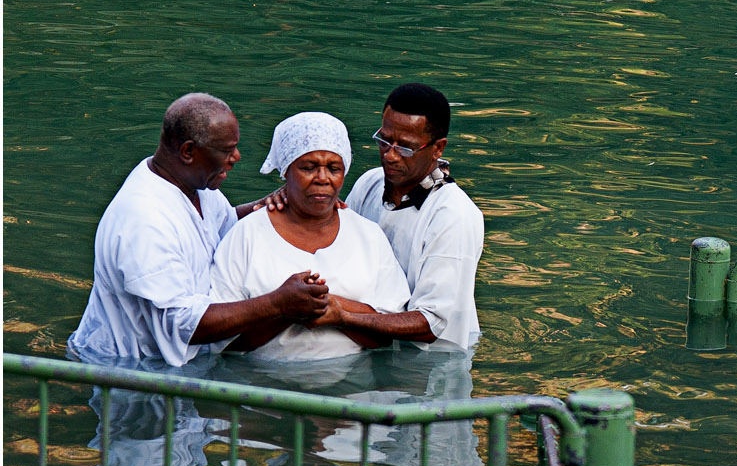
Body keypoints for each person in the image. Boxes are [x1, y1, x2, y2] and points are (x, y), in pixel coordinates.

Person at [67, 93, 329, 368]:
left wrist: (272, 205)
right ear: (188, 152)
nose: (236, 158)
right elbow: (183, 326)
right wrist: (277, 304)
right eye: (227, 150)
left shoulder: (192, 185)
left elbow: (222, 225)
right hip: (125, 370)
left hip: (167, 368)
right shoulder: (143, 220)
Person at [209, 111, 413, 361]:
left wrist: (334, 310)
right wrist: (283, 311)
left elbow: (388, 334)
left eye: (334, 168)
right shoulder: (247, 234)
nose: (323, 179)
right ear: (285, 171)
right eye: (308, 167)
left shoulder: (368, 236)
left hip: (354, 391)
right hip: (259, 389)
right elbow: (221, 341)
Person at [343, 83, 484, 352]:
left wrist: (342, 316)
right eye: (384, 141)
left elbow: (431, 323)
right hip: (370, 344)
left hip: (434, 365)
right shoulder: (369, 183)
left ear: (438, 148)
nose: (390, 156)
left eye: (406, 148)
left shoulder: (454, 215)